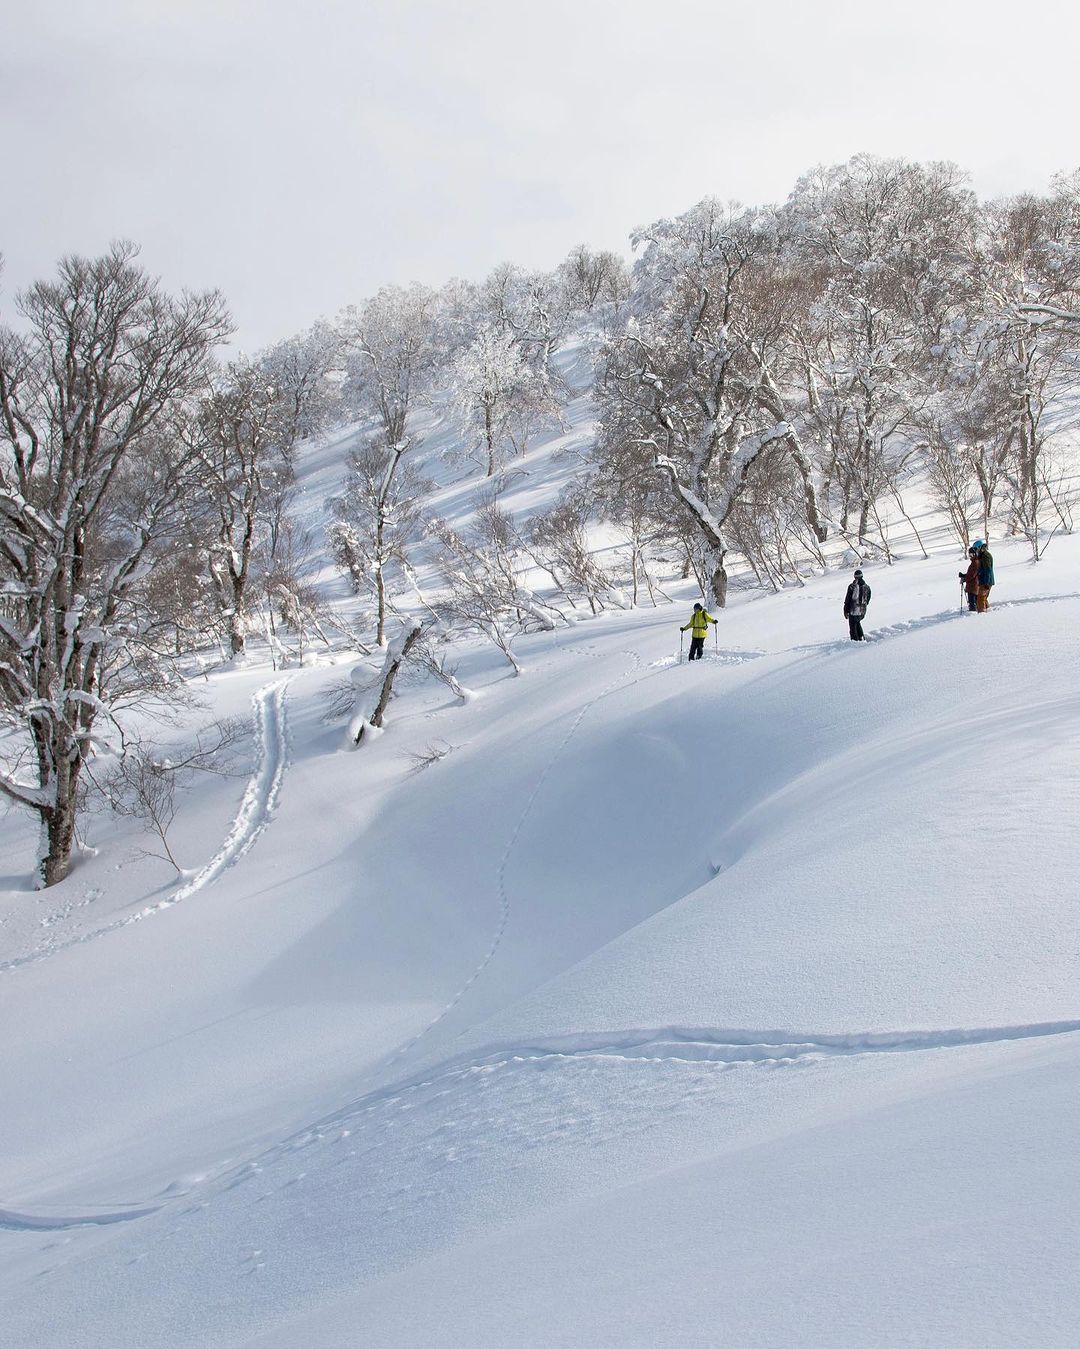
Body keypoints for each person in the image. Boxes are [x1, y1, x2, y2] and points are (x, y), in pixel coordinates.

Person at [843, 568, 871, 641]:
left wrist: (845, 610)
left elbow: (847, 599)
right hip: (862, 611)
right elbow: (868, 598)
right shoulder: (867, 587)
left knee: (853, 627)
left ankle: (855, 641)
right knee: (857, 623)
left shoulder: (852, 586)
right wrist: (864, 605)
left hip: (853, 610)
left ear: (855, 577)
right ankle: (861, 637)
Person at [973, 539, 994, 612]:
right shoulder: (982, 555)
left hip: (986, 581)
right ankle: (988, 610)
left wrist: (986, 582)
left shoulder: (985, 556)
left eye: (975, 549)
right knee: (983, 598)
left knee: (980, 598)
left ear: (979, 547)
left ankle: (981, 615)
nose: (975, 551)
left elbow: (987, 570)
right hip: (984, 580)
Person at [959, 546, 979, 612]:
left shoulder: (975, 563)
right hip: (972, 585)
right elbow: (971, 574)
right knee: (973, 601)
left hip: (973, 586)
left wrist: (965, 578)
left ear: (975, 554)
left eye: (971, 554)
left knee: (972, 601)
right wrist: (964, 575)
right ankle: (973, 611)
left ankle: (972, 614)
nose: (970, 556)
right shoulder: (974, 562)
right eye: (969, 554)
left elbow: (972, 575)